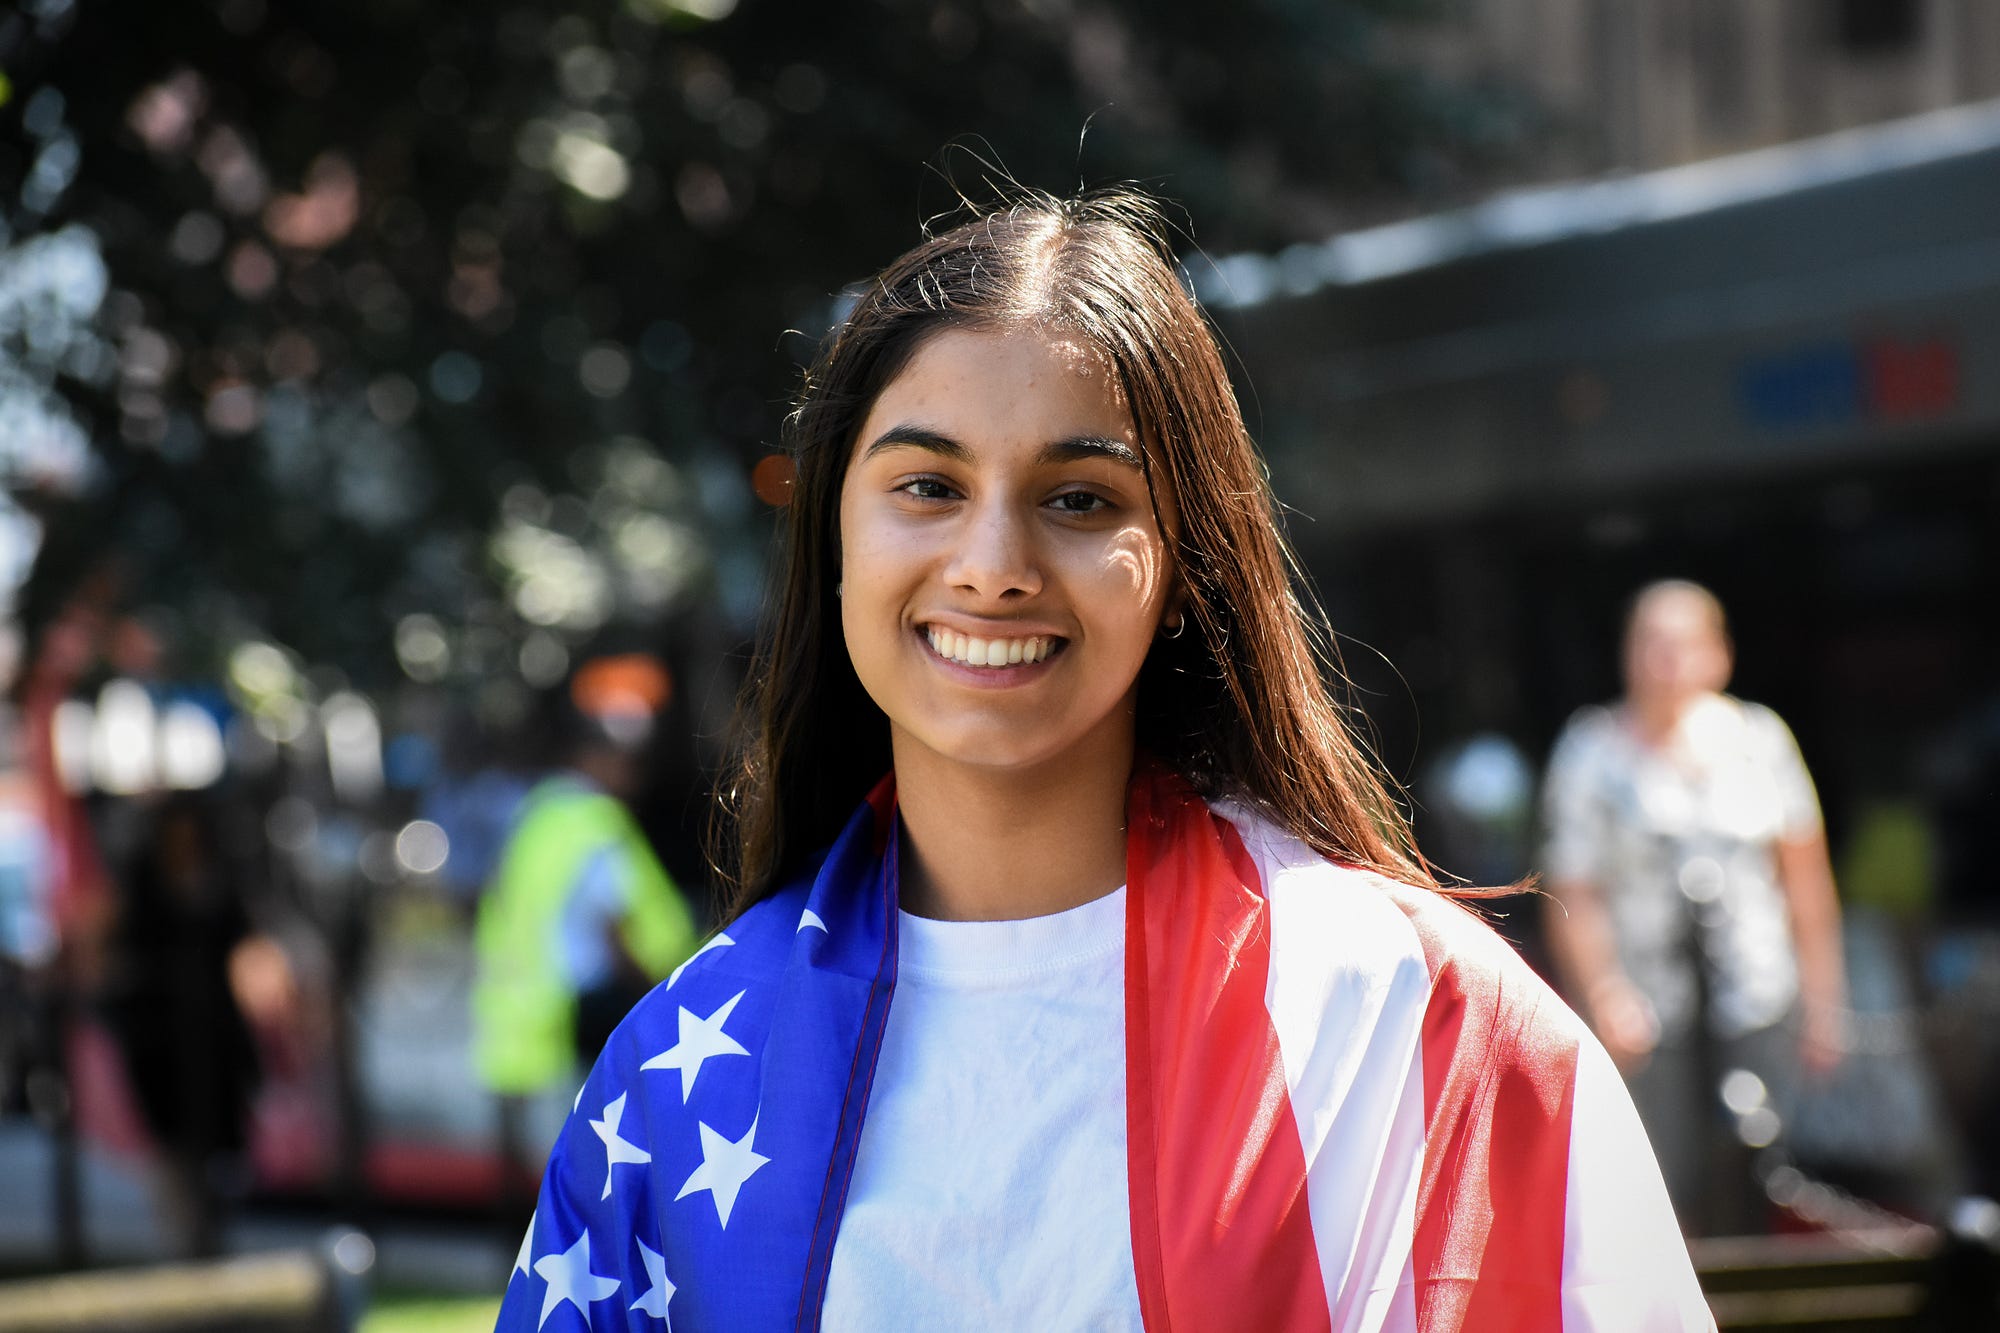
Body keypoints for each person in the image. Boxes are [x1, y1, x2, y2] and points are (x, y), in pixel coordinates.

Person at [497, 191, 1712, 1331]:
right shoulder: (676, 1069)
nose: (991, 562)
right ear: (832, 537)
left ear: (1182, 564)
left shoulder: (1414, 1020)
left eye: (1078, 499)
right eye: (926, 484)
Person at [1541, 580, 1847, 1236]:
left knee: (1763, 1169)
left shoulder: (1761, 739)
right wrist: (1603, 992)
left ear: (1718, 653)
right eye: (1649, 642)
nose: (1664, 659)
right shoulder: (1591, 751)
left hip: (1757, 998)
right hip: (1649, 1010)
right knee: (1662, 1182)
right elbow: (1573, 890)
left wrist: (1825, 1000)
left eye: (1681, 643)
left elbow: (1805, 879)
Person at [471, 655, 700, 1195]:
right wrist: (668, 1001)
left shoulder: (540, 814)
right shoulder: (595, 822)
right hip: (579, 1025)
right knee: (589, 1185)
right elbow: (614, 930)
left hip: (517, 1024)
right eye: (632, 761)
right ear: (604, 755)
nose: (636, 777)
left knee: (541, 1199)